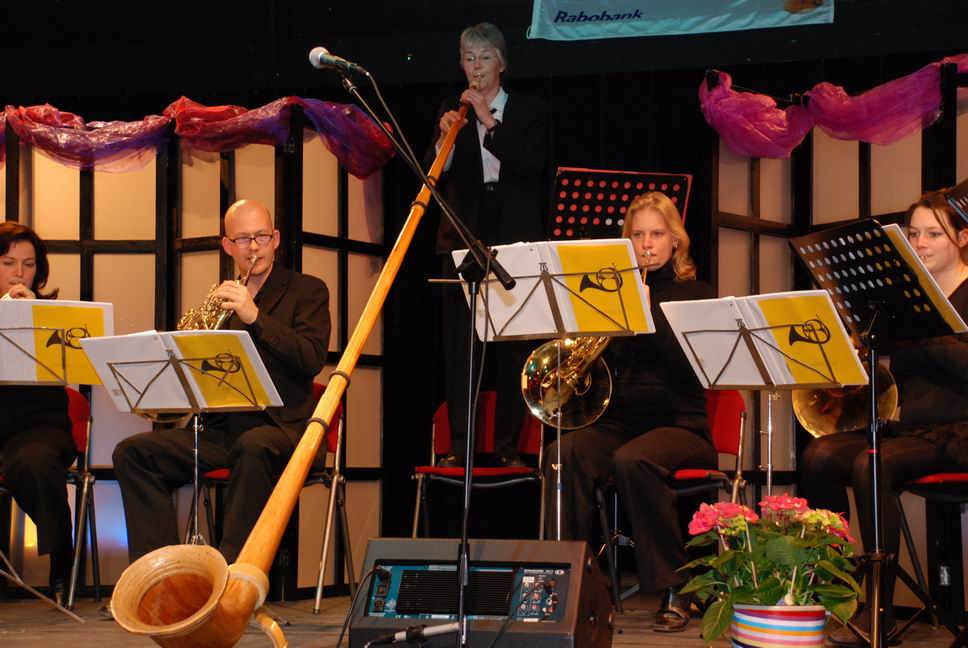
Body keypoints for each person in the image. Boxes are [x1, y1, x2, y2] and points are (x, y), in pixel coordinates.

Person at [113, 198, 331, 564]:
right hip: (221, 430)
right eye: (243, 239)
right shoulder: (218, 301)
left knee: (253, 445)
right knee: (133, 453)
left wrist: (255, 316)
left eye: (262, 236)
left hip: (282, 428)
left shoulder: (308, 290)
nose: (254, 247)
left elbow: (311, 358)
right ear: (228, 245)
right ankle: (163, 570)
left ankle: (233, 571)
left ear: (276, 239)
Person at [799, 190, 968, 646]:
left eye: (934, 234)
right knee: (818, 455)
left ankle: (879, 609)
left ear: (962, 238)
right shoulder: (902, 299)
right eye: (913, 233)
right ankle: (834, 588)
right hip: (910, 427)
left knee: (871, 462)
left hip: (959, 430)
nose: (920, 243)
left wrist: (925, 329)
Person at [543, 192, 717, 632]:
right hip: (620, 423)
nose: (647, 244)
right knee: (563, 454)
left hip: (681, 425)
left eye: (657, 234)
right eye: (637, 235)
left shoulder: (696, 295)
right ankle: (567, 582)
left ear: (676, 240)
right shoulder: (613, 295)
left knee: (633, 460)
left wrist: (646, 311)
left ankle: (676, 587)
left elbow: (693, 369)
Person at [427, 22, 549, 469]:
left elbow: (530, 163)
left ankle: (508, 447)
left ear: (501, 63)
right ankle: (462, 446)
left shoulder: (530, 110)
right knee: (462, 346)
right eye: (469, 58)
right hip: (463, 229)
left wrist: (488, 121)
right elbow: (435, 174)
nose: (476, 67)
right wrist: (445, 137)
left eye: (484, 57)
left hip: (513, 228)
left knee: (513, 346)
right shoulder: (450, 108)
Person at [0, 222, 75, 601]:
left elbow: (75, 369)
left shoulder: (53, 316)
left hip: (40, 426)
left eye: (28, 265)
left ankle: (61, 556)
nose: (19, 273)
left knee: (34, 462)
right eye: (8, 263)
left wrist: (29, 318)